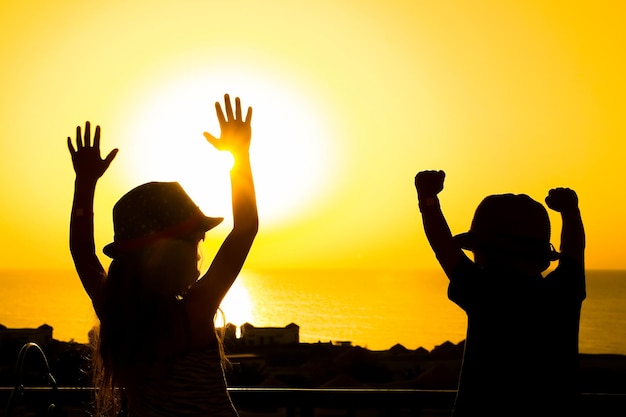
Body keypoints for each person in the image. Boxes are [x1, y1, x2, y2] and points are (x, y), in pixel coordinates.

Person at [68, 94, 258, 417]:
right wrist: (239, 156)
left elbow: (83, 253)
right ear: (171, 255)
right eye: (196, 242)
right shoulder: (192, 316)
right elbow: (246, 229)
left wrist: (85, 183)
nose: (200, 255)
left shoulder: (118, 316)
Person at [414, 170, 585, 417]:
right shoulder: (563, 293)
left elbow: (443, 246)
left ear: (486, 251)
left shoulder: (486, 292)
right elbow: (574, 251)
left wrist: (428, 199)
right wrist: (570, 213)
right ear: (541, 258)